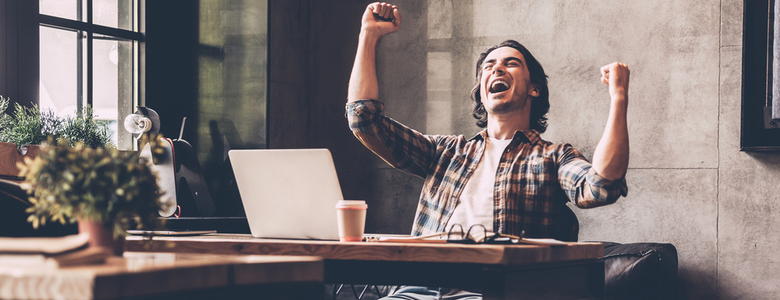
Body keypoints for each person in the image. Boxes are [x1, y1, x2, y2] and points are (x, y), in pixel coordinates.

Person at [345, 3, 630, 299]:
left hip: (491, 290)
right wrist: (369, 34)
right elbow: (364, 120)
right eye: (488, 66)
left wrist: (618, 97)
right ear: (481, 91)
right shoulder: (446, 152)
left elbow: (601, 185)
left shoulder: (553, 157)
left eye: (511, 63)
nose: (496, 68)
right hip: (418, 286)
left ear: (534, 88)